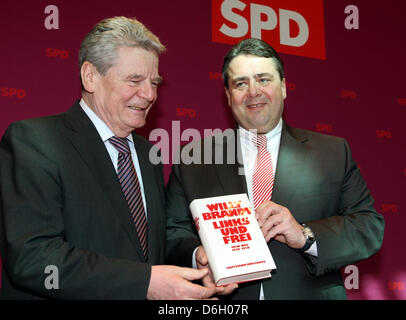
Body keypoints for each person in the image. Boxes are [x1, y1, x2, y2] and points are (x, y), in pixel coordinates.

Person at [0, 16, 223, 300]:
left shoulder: (147, 154)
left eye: (154, 82)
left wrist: (197, 259)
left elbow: (151, 244)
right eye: (135, 80)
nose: (149, 94)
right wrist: (145, 283)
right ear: (90, 76)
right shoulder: (34, 141)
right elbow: (33, 257)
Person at [165, 38, 385, 299]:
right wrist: (198, 254)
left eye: (263, 80)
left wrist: (306, 236)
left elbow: (368, 226)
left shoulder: (333, 152)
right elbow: (171, 231)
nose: (253, 91)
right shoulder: (194, 159)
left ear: (283, 87)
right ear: (228, 96)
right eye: (240, 83)